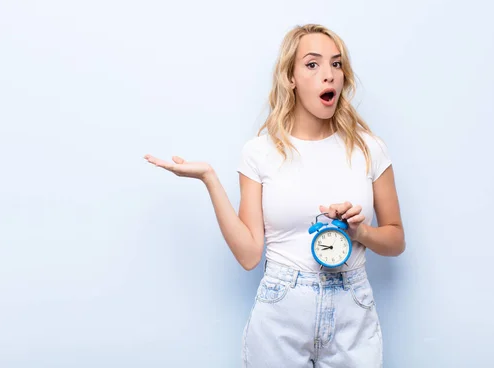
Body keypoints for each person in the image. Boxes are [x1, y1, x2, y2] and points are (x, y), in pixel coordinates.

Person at [144, 23, 405, 367]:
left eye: (336, 64)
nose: (329, 75)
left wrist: (362, 232)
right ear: (290, 77)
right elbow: (250, 254)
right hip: (282, 307)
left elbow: (396, 240)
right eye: (312, 64)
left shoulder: (369, 149)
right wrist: (209, 179)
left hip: (352, 310)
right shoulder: (260, 152)